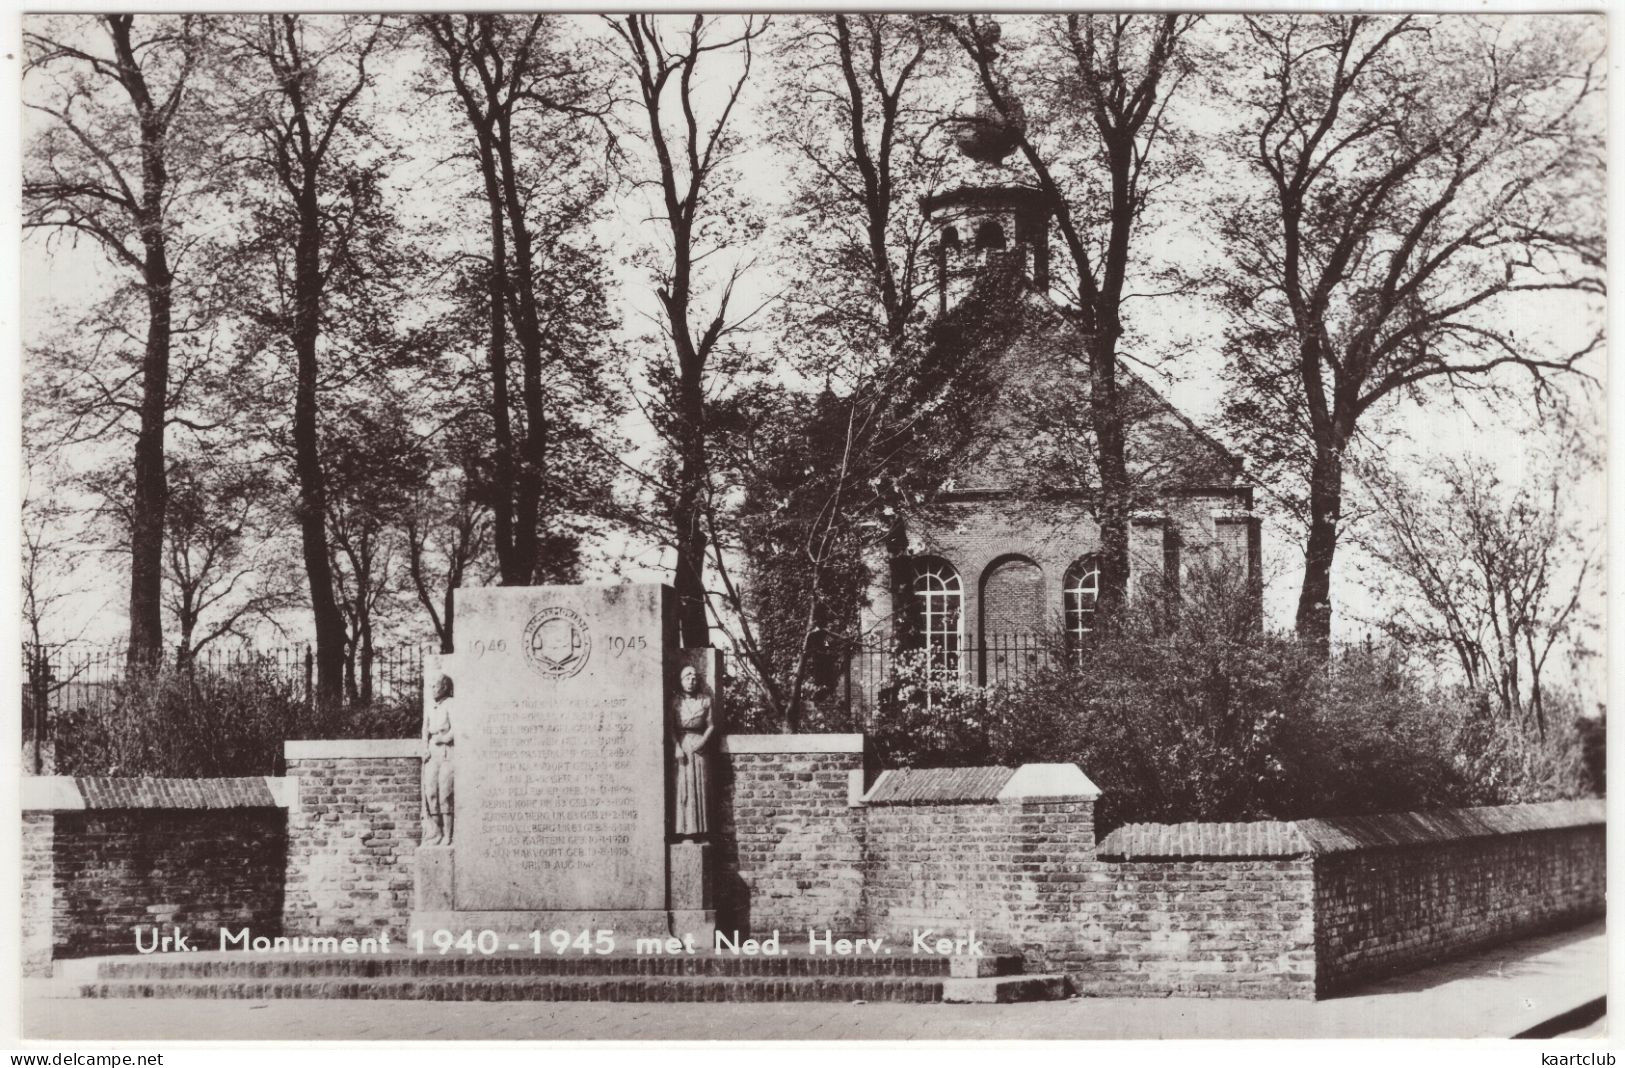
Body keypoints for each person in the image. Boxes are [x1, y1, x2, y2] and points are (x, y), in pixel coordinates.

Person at [670, 664, 717, 839]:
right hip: (682, 745)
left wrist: (703, 741)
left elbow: (711, 726)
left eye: (694, 678)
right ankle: (686, 832)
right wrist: (677, 747)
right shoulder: (675, 702)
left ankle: (703, 831)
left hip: (699, 746)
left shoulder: (705, 700)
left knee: (700, 787)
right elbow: (671, 728)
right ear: (681, 681)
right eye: (687, 678)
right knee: (684, 788)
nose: (691, 681)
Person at [422, 674, 455, 846]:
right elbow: (425, 730)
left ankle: (448, 834)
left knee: (445, 793)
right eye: (432, 686)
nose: (432, 689)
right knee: (431, 792)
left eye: (435, 686)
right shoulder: (430, 706)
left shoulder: (451, 704)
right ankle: (437, 832)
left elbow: (456, 730)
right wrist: (425, 748)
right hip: (432, 752)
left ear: (444, 687)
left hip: (446, 751)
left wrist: (443, 739)